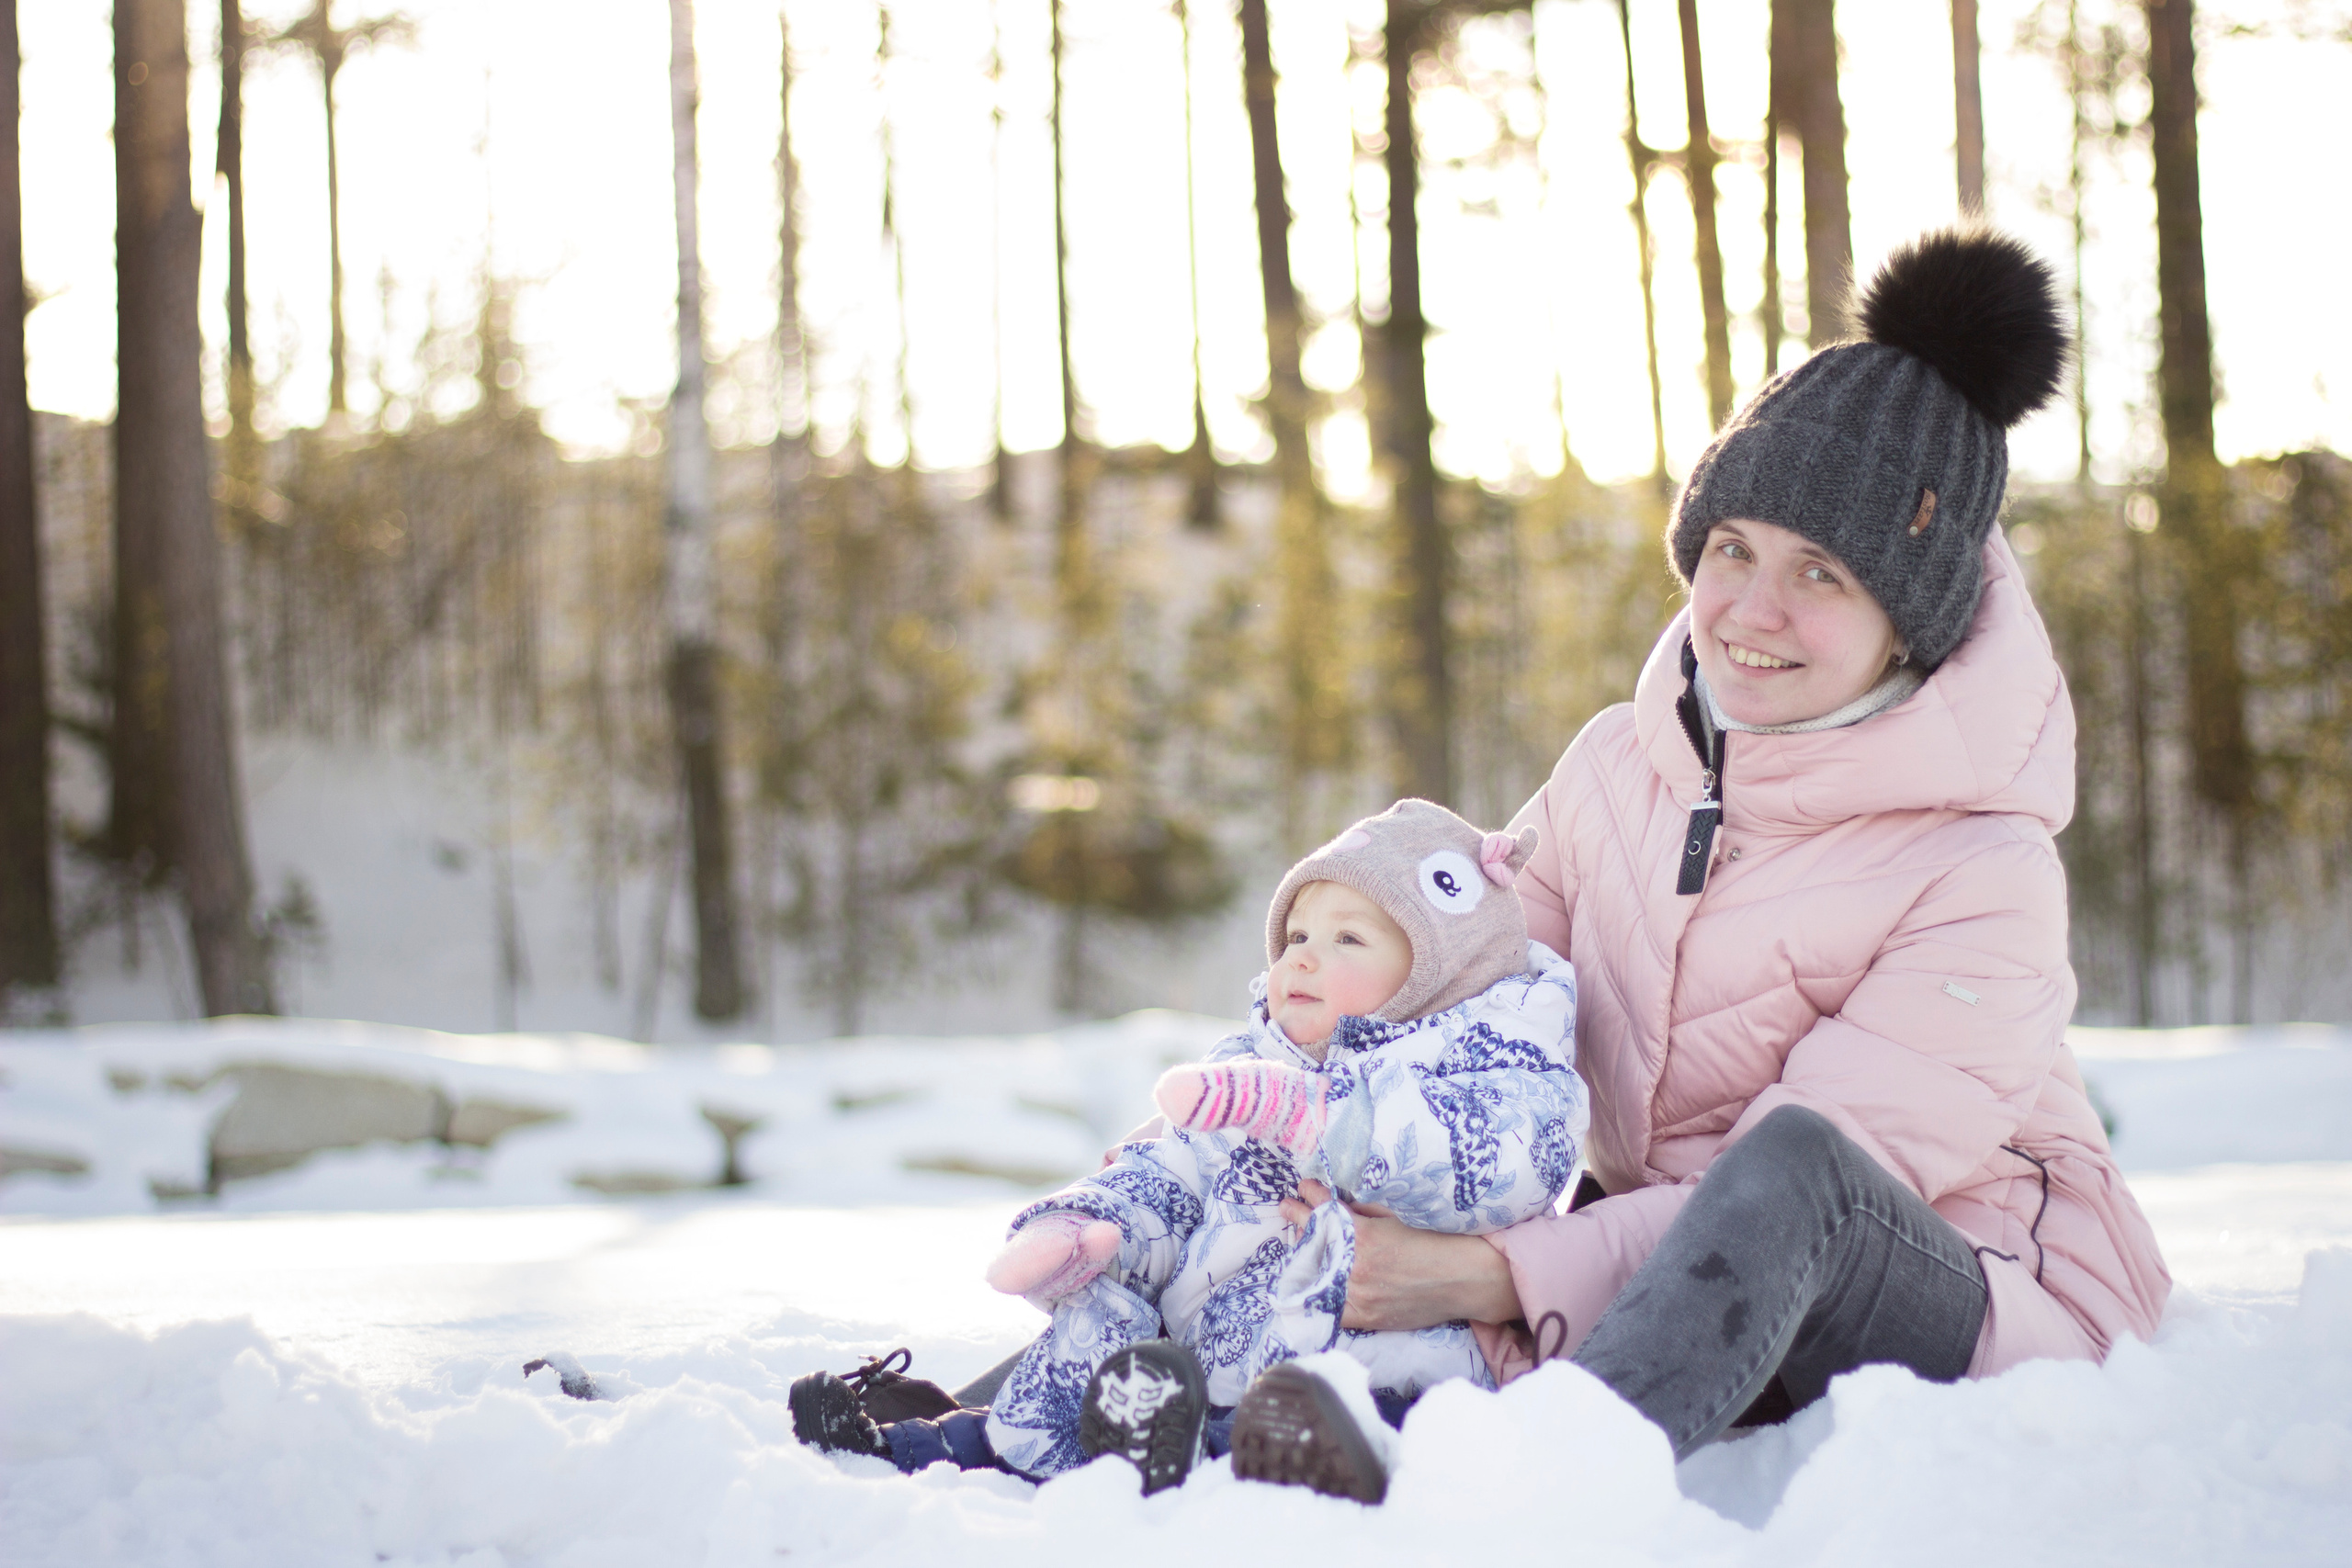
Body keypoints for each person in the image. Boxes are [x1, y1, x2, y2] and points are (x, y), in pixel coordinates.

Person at [1234, 228, 2173, 1497]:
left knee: (1795, 1168)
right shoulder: (1619, 768)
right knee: (1337, 1074)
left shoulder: (1983, 867)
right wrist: (1302, 1093)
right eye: (1734, 548)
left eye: (1821, 573)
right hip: (1667, 1291)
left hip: (1974, 1295)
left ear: (1914, 621)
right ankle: (1021, 1416)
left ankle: (1512, 1492)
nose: (1752, 609)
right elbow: (1467, 1001)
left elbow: (1821, 1185)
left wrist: (1492, 1271)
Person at [789, 799, 1588, 1496]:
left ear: (1436, 976)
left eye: (1348, 939)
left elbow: (1501, 1166)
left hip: (1393, 1368)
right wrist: (1097, 1229)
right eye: (1296, 934)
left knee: (1326, 1415)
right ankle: (928, 1445)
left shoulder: (1495, 1072)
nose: (1304, 956)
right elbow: (1178, 1167)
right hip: (1214, 1360)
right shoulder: (1249, 1067)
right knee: (1099, 1335)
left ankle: (1245, 1457)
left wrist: (1323, 1117)